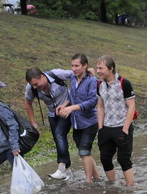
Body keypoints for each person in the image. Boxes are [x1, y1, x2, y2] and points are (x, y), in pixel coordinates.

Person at [57, 54, 101, 183]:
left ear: (85, 66)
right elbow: (72, 98)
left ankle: (89, 182)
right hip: (76, 123)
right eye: (72, 66)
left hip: (90, 122)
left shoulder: (92, 80)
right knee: (84, 152)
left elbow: (93, 101)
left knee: (84, 151)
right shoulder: (72, 78)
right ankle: (97, 177)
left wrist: (71, 108)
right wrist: (64, 105)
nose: (74, 68)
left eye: (77, 66)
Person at [24, 67, 73, 180]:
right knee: (58, 139)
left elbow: (75, 74)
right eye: (33, 85)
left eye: (36, 84)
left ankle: (61, 167)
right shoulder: (31, 88)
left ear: (42, 76)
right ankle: (68, 171)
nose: (35, 87)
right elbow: (27, 103)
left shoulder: (57, 74)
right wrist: (33, 121)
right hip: (52, 114)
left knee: (59, 134)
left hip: (67, 109)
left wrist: (89, 73)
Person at [96, 55, 136, 186]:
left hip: (122, 126)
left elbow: (131, 107)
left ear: (111, 68)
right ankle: (113, 186)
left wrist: (125, 129)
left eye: (101, 68)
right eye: (97, 68)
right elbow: (100, 106)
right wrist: (100, 127)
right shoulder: (99, 84)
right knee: (105, 158)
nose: (98, 71)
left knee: (124, 159)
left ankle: (130, 189)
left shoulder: (124, 83)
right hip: (106, 127)